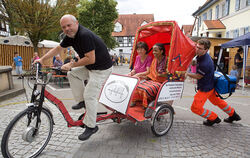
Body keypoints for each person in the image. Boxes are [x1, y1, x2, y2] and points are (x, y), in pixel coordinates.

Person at [34, 14, 112, 141]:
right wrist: (41, 59)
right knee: (72, 74)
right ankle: (82, 101)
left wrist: (71, 64)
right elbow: (58, 48)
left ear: (77, 23)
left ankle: (91, 126)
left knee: (90, 95)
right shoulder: (70, 36)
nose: (66, 29)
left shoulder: (84, 35)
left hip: (101, 69)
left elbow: (90, 59)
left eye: (69, 25)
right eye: (63, 27)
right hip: (91, 67)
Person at [186, 39, 241, 126]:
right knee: (218, 102)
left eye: (200, 48)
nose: (197, 49)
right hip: (210, 85)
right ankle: (233, 115)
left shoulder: (205, 63)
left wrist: (186, 74)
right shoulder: (202, 56)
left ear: (206, 50)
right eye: (197, 47)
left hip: (205, 88)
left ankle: (213, 118)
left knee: (195, 108)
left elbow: (198, 76)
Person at [131, 43, 167, 108]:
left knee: (145, 89)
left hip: (161, 82)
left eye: (156, 50)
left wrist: (159, 75)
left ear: (161, 51)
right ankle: (136, 101)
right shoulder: (154, 60)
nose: (154, 52)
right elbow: (151, 73)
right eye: (153, 51)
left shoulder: (167, 60)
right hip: (152, 79)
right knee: (137, 86)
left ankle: (145, 104)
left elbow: (169, 73)